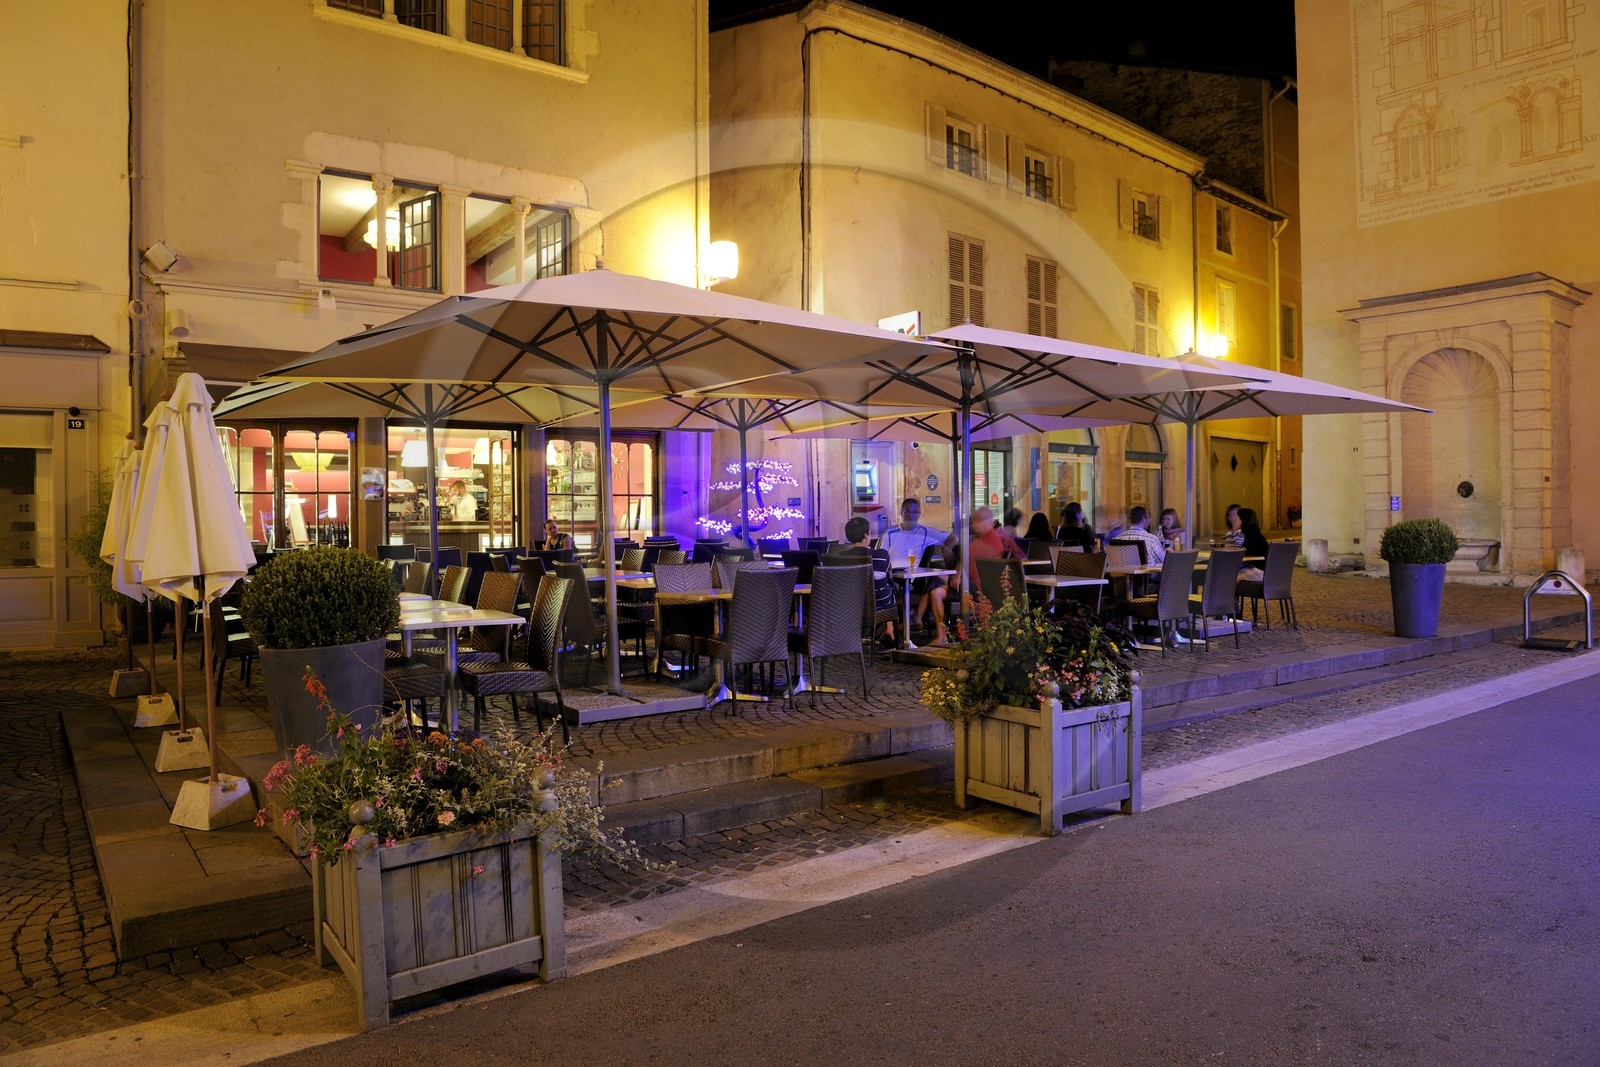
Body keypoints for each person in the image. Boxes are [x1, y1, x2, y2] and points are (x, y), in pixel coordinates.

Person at [879, 498, 949, 646]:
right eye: (908, 510)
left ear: (919, 514)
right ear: (901, 512)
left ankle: (896, 630)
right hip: (891, 575)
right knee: (886, 584)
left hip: (913, 580)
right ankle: (890, 630)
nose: (911, 514)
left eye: (915, 511)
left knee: (893, 587)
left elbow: (952, 539)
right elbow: (881, 555)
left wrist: (952, 558)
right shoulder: (890, 532)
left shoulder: (925, 532)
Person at [843, 515, 897, 645]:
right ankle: (890, 628)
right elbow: (887, 577)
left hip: (848, 605)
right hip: (879, 602)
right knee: (892, 587)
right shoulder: (881, 555)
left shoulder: (837, 558)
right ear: (867, 535)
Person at [957, 505, 1022, 596]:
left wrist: (958, 573)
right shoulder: (981, 540)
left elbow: (965, 562)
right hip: (975, 584)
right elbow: (964, 562)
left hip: (979, 587)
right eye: (974, 520)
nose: (974, 523)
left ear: (989, 522)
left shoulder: (990, 541)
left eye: (978, 520)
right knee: (937, 589)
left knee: (937, 588)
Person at [1235, 507, 1270, 582]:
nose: (1235, 521)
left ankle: (1222, 593)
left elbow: (1244, 552)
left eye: (1237, 518)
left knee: (1228, 577)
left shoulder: (1252, 534)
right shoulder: (1253, 532)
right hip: (1265, 571)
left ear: (1243, 520)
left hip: (1260, 572)